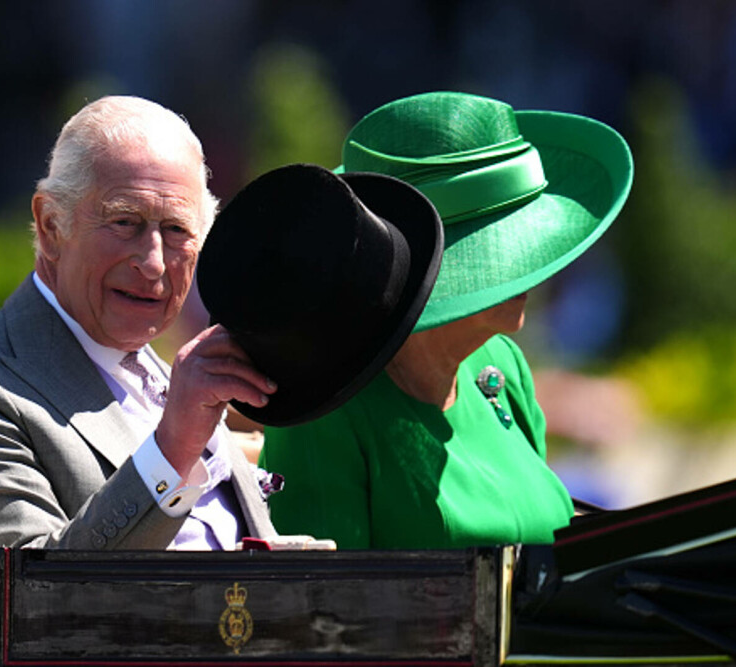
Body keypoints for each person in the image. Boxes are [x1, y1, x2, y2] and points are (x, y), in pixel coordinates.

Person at [0, 96, 283, 550]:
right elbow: (27, 599)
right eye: (124, 221)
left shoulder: (168, 375)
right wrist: (172, 451)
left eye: (176, 230)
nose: (154, 262)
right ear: (52, 226)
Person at [259, 91, 634, 549]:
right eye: (498, 246)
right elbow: (320, 606)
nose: (530, 265)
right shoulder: (324, 405)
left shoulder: (499, 362)